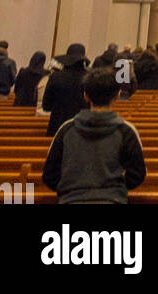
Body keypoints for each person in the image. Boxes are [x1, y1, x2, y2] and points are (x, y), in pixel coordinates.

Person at [42, 67, 146, 205]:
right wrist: (117, 189)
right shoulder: (126, 131)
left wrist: (68, 190)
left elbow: (49, 174)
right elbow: (138, 174)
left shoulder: (66, 129)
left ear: (85, 95)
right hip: (112, 200)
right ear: (118, 94)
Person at [43, 43, 90, 136]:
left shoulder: (55, 77)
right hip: (82, 128)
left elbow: (46, 106)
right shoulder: (90, 77)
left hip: (58, 126)